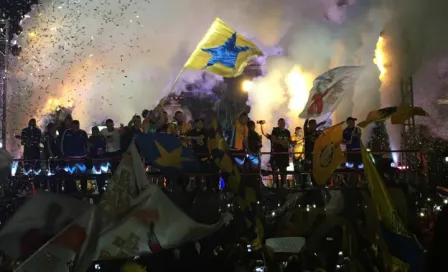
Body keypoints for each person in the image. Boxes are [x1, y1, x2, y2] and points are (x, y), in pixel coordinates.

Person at [60, 120, 88, 193]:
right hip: (70, 158)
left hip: (81, 158)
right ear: (71, 126)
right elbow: (62, 143)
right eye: (74, 126)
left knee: (83, 175)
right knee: (70, 175)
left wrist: (86, 154)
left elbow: (87, 144)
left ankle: (84, 191)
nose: (75, 127)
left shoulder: (83, 133)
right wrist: (64, 154)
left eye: (77, 126)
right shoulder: (67, 133)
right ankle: (72, 191)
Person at [187, 119, 214, 190]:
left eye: (202, 123)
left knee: (203, 168)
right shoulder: (191, 132)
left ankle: (204, 183)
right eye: (199, 123)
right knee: (193, 168)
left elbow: (201, 137)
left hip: (203, 153)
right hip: (194, 153)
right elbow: (187, 138)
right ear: (195, 124)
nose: (200, 125)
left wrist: (192, 137)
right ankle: (192, 182)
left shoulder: (205, 132)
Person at [304, 118, 326, 186]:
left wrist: (321, 134)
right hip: (309, 153)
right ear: (310, 125)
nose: (314, 126)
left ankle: (316, 183)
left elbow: (323, 139)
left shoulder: (317, 132)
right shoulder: (307, 132)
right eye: (313, 124)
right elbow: (305, 126)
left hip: (317, 154)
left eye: (315, 124)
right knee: (308, 168)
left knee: (316, 168)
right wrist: (307, 117)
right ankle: (306, 183)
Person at [271, 118, 291, 188]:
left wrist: (289, 144)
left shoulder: (287, 132)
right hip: (277, 153)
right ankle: (274, 183)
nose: (282, 124)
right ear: (278, 123)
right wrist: (281, 142)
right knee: (276, 168)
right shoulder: (275, 131)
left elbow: (289, 141)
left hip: (285, 153)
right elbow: (273, 140)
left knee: (284, 169)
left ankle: (284, 184)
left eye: (283, 123)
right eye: (281, 123)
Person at [342, 117, 362, 186]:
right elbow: (342, 141)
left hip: (357, 150)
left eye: (354, 121)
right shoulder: (345, 131)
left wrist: (355, 135)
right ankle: (350, 181)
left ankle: (360, 181)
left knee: (360, 166)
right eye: (351, 121)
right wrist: (347, 142)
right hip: (350, 151)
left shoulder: (357, 129)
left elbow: (359, 135)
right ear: (348, 122)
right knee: (350, 166)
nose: (353, 123)